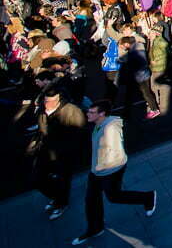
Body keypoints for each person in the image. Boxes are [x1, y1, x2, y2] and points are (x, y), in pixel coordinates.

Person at [72, 100, 157, 245]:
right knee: (91, 200)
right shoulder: (99, 124)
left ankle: (148, 197)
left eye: (92, 112)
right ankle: (95, 227)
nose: (88, 114)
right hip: (98, 170)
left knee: (114, 196)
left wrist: (102, 167)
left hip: (110, 170)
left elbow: (115, 153)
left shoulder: (110, 130)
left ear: (102, 114)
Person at [32, 88, 86, 220]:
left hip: (64, 154)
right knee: (38, 178)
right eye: (45, 100)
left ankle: (61, 203)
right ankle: (57, 197)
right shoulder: (42, 110)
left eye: (50, 101)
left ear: (58, 99)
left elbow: (79, 134)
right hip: (46, 151)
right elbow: (41, 129)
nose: (47, 104)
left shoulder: (72, 111)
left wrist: (68, 150)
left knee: (63, 180)